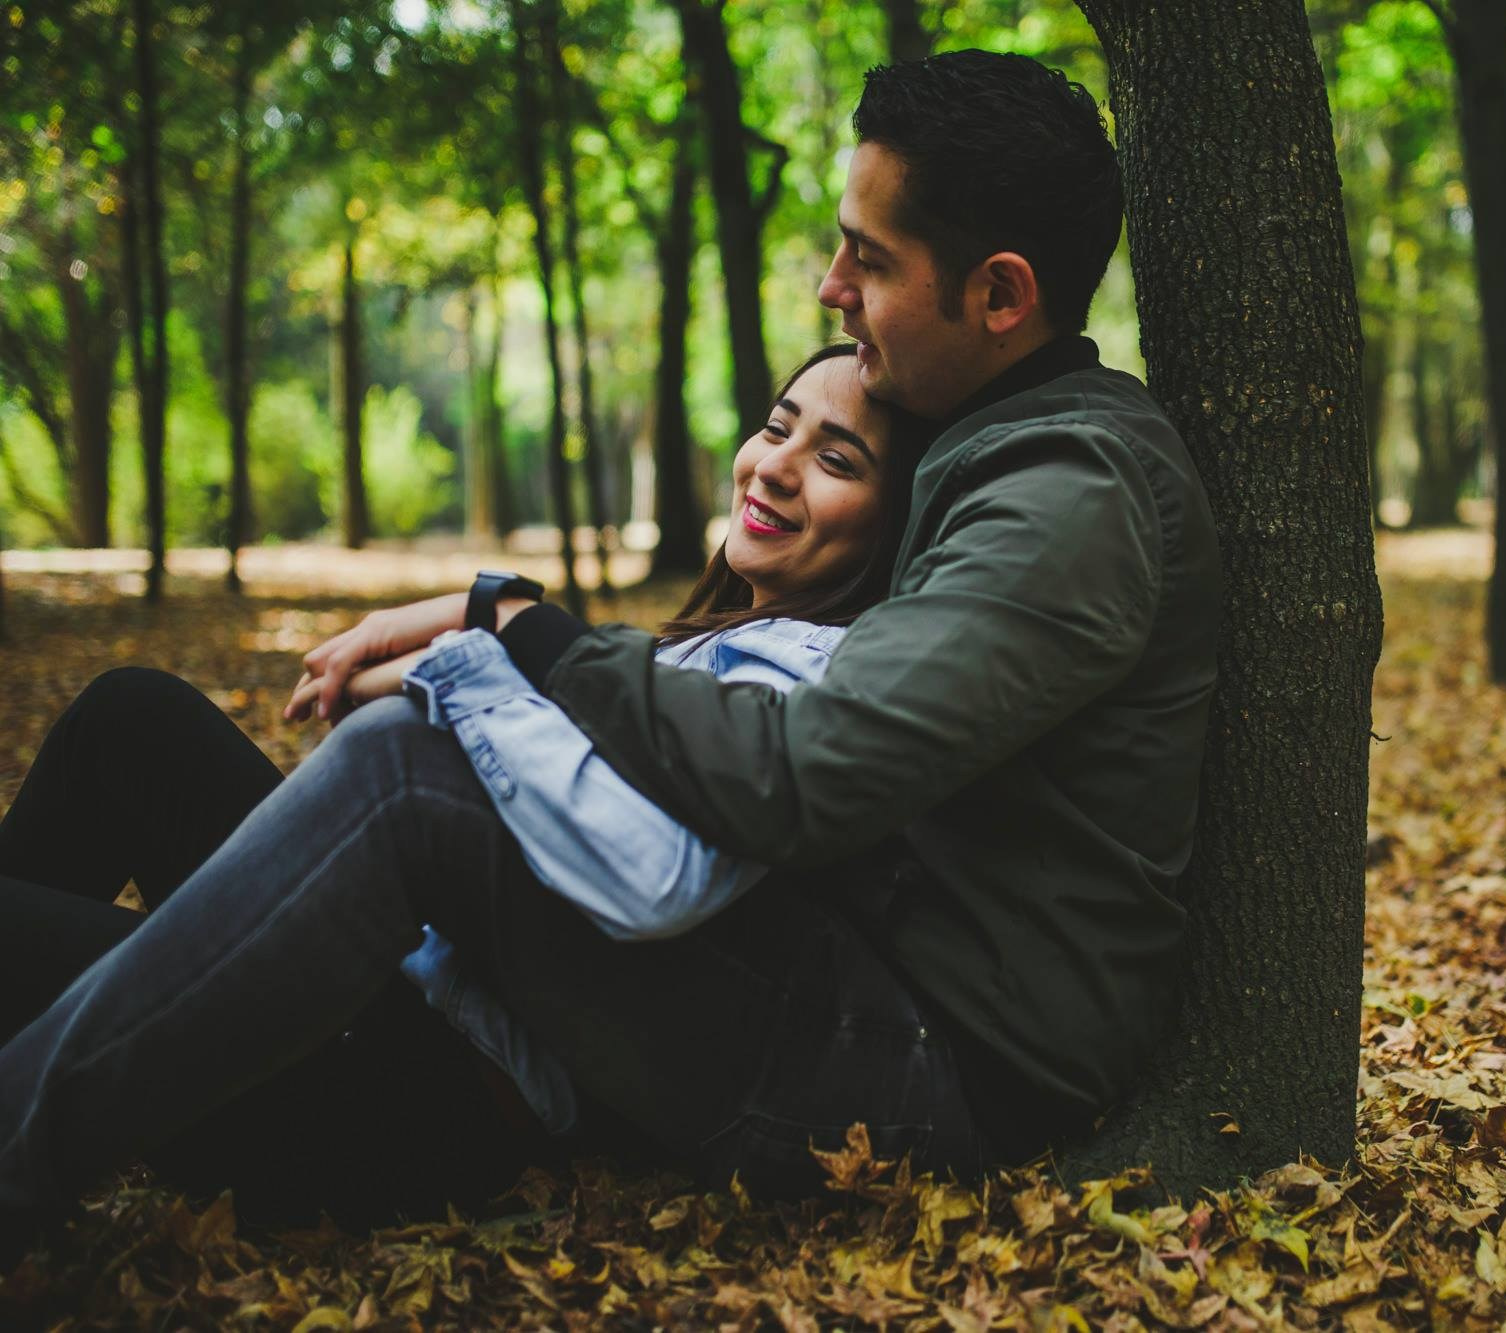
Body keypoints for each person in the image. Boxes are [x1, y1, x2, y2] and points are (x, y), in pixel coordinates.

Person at [0, 48, 1221, 1257]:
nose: (828, 284)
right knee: (134, 721)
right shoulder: (994, 446)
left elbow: (801, 773)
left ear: (1000, 295)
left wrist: (521, 633)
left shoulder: (1066, 493)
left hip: (918, 1052)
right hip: (829, 968)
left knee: (405, 777)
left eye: (872, 256)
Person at [0, 347, 925, 1235]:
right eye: (777, 426)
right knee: (130, 718)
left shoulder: (809, 681)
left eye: (836, 458)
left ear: (892, 525)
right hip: (386, 961)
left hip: (410, 1080)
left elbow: (646, 862)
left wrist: (465, 652)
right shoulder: (695, 651)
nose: (775, 467)